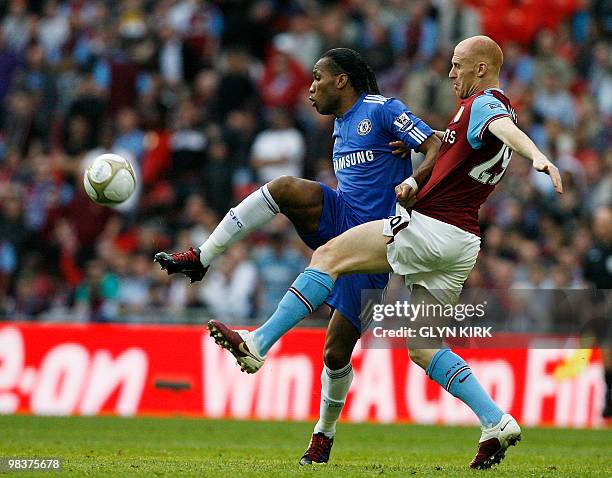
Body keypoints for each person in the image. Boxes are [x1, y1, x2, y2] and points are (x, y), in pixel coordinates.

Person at [206, 36, 564, 469]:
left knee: (329, 257)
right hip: (463, 242)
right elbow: (446, 149)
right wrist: (411, 166)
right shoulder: (465, 116)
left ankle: (258, 343)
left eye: (457, 65)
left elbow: (504, 126)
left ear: (483, 68)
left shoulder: (485, 104)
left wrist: (539, 156)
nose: (451, 73)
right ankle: (495, 421)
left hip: (432, 229)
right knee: (424, 347)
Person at [154, 47, 440, 459]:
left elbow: (434, 145)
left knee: (335, 351)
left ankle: (323, 433)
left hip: (375, 241)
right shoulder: (341, 124)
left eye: (318, 78)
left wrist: (413, 180)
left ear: (342, 79)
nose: (310, 88)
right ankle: (202, 257)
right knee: (285, 187)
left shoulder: (382, 108)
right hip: (340, 216)